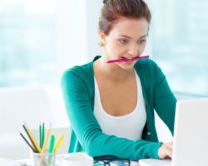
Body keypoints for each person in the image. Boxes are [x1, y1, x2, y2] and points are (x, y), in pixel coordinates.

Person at [61, 0, 176, 161]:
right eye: (123, 40)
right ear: (103, 35)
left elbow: (181, 125)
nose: (134, 51)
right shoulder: (75, 79)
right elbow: (93, 142)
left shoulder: (149, 71)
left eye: (141, 40)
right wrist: (154, 149)